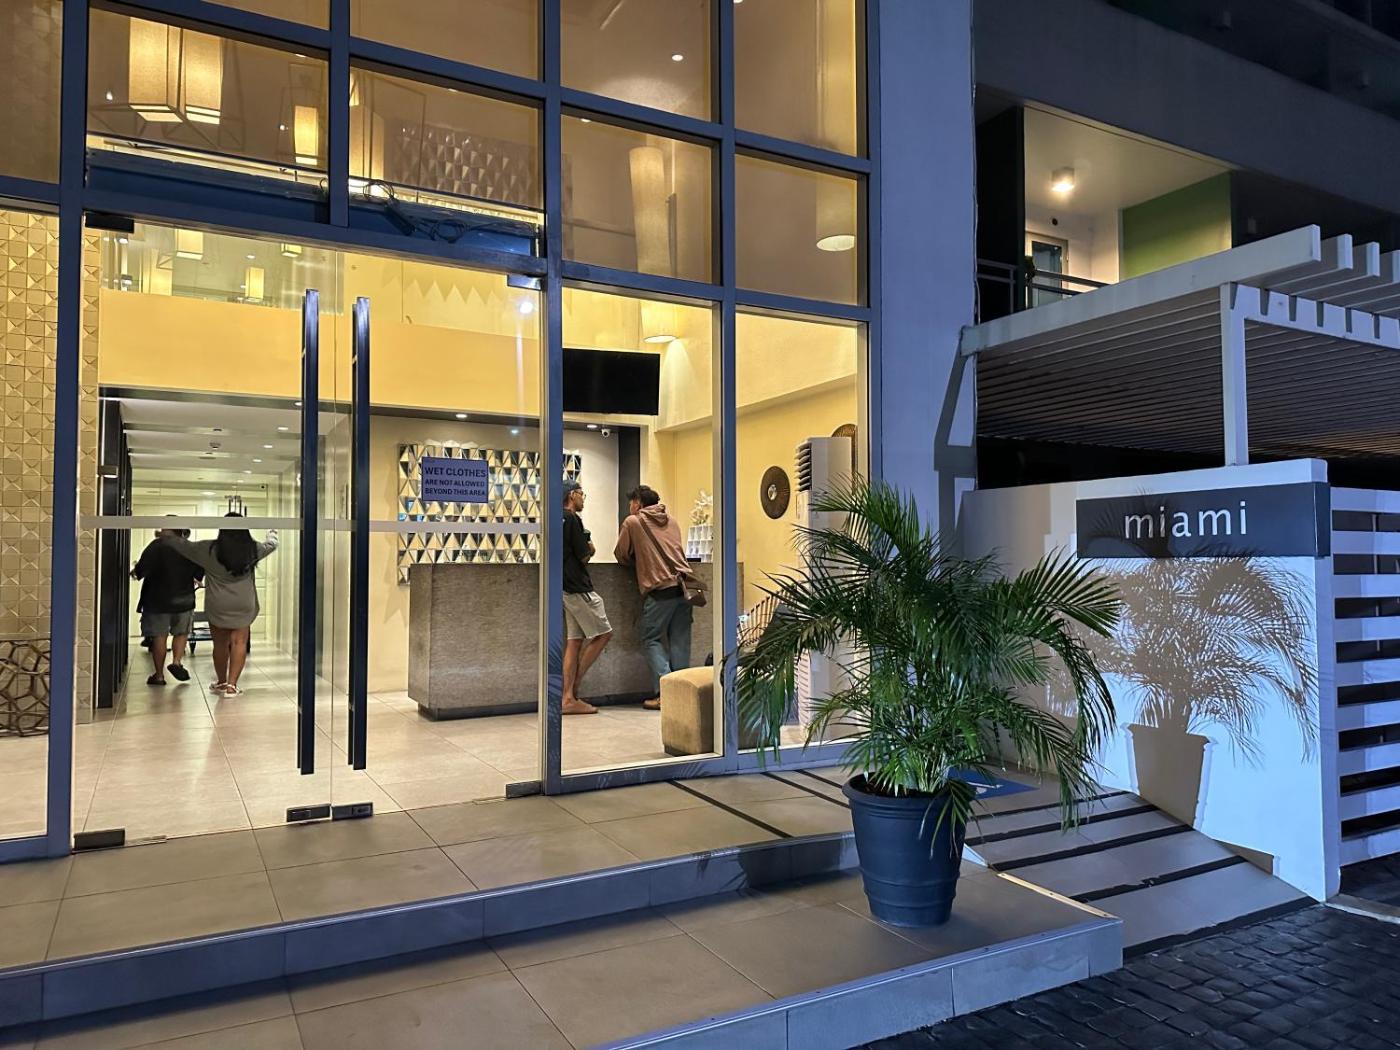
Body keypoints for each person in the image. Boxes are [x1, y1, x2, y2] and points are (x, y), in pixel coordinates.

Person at [162, 513, 278, 697]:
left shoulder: (208, 549)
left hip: (218, 603)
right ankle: (232, 686)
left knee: (220, 644)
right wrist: (272, 532)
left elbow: (183, 546)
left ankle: (222, 682)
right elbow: (271, 545)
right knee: (239, 642)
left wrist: (166, 533)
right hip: (243, 603)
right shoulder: (252, 549)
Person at [614, 484, 693, 710]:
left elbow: (621, 554)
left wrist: (640, 562)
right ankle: (682, 694)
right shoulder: (673, 521)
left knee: (651, 639)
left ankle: (665, 693)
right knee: (680, 640)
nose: (630, 507)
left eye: (631, 502)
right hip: (685, 588)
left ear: (638, 503)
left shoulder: (633, 522)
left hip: (660, 590)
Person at [561, 480, 612, 716]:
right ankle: (572, 690)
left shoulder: (557, 519)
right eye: (582, 494)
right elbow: (584, 555)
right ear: (572, 495)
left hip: (564, 586)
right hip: (577, 587)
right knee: (604, 634)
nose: (583, 498)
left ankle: (567, 697)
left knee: (574, 641)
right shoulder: (572, 519)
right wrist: (590, 546)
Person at [131, 523, 203, 686]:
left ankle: (159, 675)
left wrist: (135, 571)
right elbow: (199, 572)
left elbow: (140, 571)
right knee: (181, 633)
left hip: (157, 600)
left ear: (166, 529)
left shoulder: (156, 546)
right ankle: (176, 662)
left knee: (159, 636)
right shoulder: (189, 547)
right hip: (184, 599)